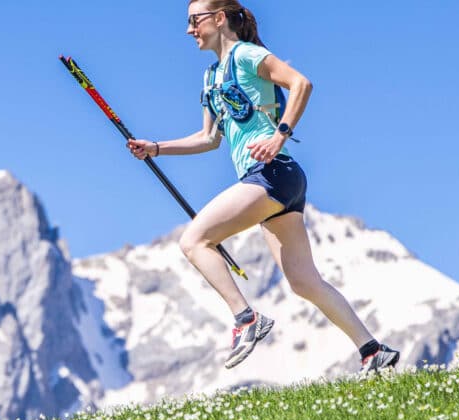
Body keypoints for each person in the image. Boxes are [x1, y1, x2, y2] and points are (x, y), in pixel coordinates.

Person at [126, 0, 400, 373]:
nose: (189, 30)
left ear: (219, 19)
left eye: (195, 21)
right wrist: (156, 148)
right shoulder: (211, 78)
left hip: (272, 172)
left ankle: (245, 319)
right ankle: (373, 350)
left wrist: (279, 137)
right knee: (304, 281)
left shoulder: (246, 56)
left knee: (194, 241)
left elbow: (301, 83)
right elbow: (209, 138)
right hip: (275, 181)